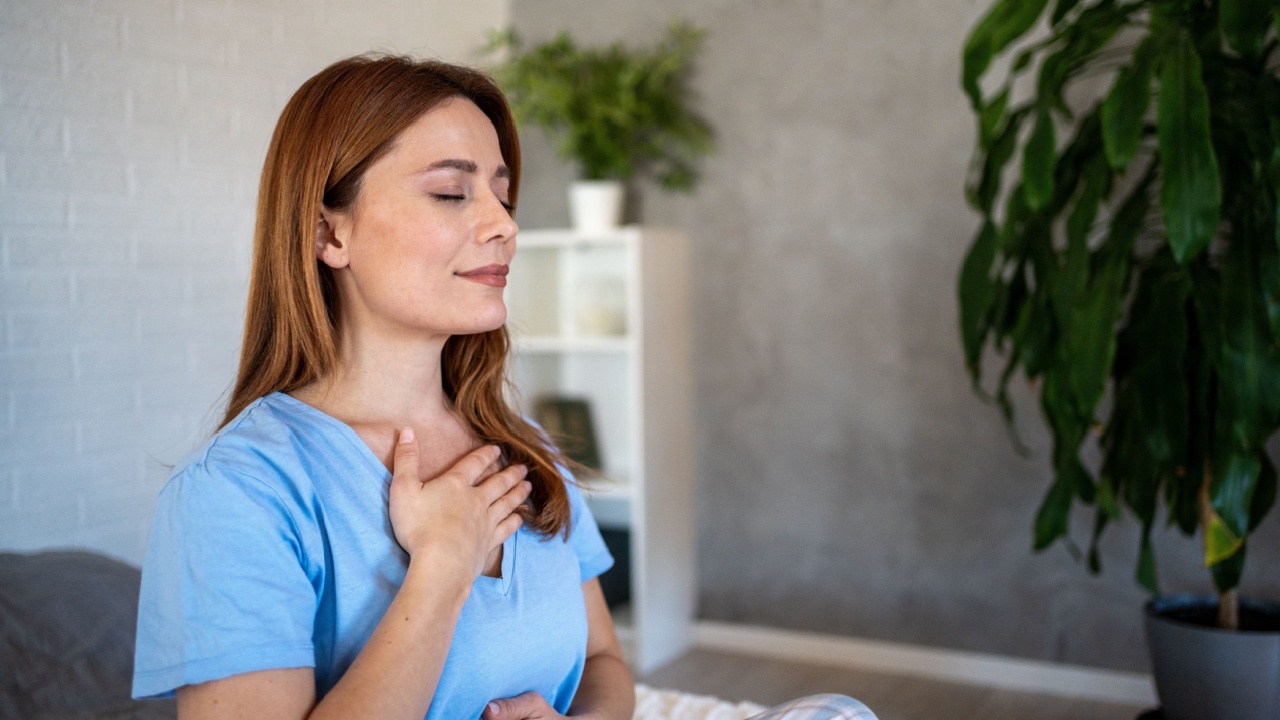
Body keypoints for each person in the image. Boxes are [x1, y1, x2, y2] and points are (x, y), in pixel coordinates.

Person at [132, 54, 878, 720]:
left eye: (502, 194)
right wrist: (443, 569)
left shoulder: (525, 451)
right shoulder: (236, 494)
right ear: (330, 235)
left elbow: (603, 667)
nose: (505, 226)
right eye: (453, 194)